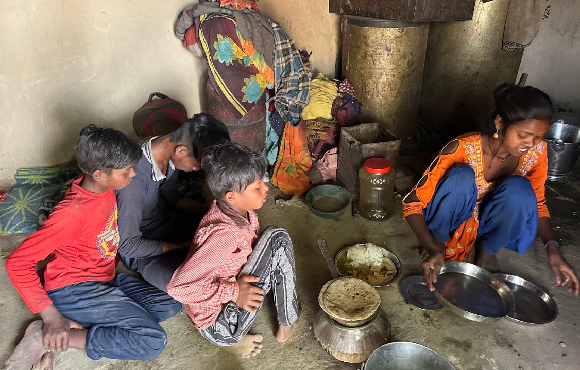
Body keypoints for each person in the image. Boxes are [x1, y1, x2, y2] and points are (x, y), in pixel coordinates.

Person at [4, 125, 182, 370]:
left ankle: (83, 322)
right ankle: (51, 336)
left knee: (171, 303)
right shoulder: (71, 214)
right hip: (72, 288)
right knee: (151, 341)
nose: (133, 174)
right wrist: (51, 316)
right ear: (99, 174)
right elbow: (17, 263)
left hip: (104, 279)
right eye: (127, 170)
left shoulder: (107, 189)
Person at [403, 83, 579, 295]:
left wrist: (552, 248)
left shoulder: (537, 153)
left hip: (491, 219)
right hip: (453, 215)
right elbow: (412, 202)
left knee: (521, 190)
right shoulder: (461, 147)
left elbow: (538, 204)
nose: (531, 144)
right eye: (523, 135)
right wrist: (430, 245)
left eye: (538, 136)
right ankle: (439, 242)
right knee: (461, 176)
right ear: (499, 122)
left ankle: (488, 248)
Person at [167, 142, 300, 358]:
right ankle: (287, 321)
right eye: (257, 186)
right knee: (277, 238)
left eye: (262, 182)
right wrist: (234, 291)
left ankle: (243, 331)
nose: (266, 188)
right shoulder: (225, 236)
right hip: (220, 326)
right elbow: (178, 288)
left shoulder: (234, 210)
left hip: (224, 312)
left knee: (272, 239)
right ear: (231, 196)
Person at [115, 113, 230, 292]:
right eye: (197, 165)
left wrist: (213, 212)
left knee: (229, 239)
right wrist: (184, 245)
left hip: (170, 222)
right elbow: (128, 245)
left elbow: (172, 196)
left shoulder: (168, 155)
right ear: (181, 150)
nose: (196, 169)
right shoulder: (132, 181)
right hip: (146, 246)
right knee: (187, 286)